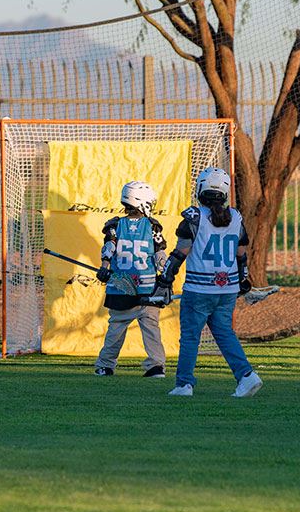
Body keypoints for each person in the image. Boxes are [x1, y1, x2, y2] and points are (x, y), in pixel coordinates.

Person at [153, 167, 262, 398]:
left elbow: (181, 252)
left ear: (201, 189)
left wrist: (165, 279)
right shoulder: (236, 217)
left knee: (191, 337)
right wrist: (243, 278)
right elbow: (241, 253)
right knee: (224, 333)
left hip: (199, 289)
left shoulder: (194, 217)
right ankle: (246, 375)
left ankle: (184, 384)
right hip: (227, 288)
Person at [92, 181, 169, 378]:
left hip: (120, 287)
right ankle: (156, 366)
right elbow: (160, 252)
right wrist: (165, 273)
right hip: (148, 287)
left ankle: (105, 365)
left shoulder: (115, 225)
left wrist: (103, 268)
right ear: (142, 202)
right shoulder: (153, 226)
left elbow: (109, 248)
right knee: (151, 328)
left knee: (115, 329)